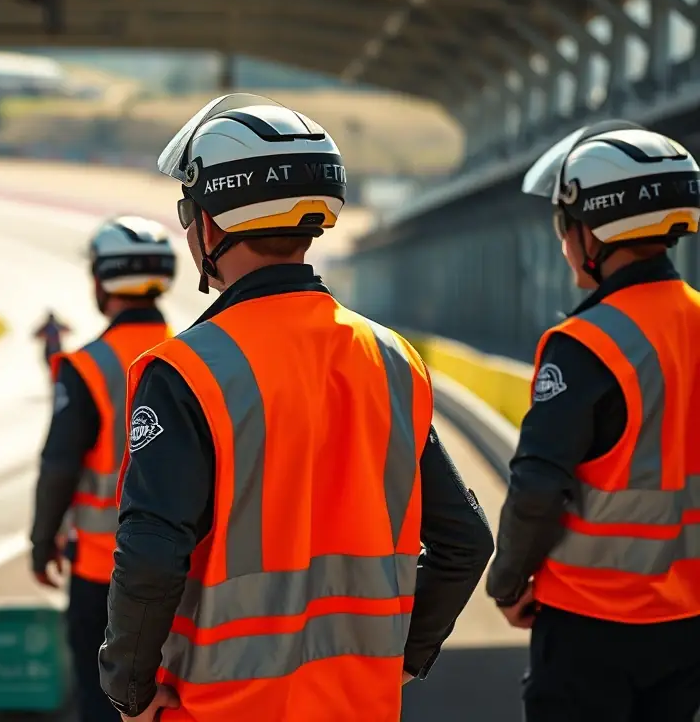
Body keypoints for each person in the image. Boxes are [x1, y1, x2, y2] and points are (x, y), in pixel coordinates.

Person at [98, 93, 495, 722]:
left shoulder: (187, 371)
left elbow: (151, 553)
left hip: (219, 707)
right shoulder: (392, 359)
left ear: (213, 224)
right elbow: (466, 540)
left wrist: (130, 688)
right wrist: (402, 660)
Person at [485, 121, 700, 722]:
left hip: (591, 619)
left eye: (565, 224)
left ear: (594, 233)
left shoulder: (588, 343)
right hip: (686, 622)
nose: (562, 240)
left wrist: (507, 582)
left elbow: (538, 486)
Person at [30, 215, 176, 722]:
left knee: (102, 700)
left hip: (102, 565)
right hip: (185, 566)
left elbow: (59, 465)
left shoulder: (87, 366)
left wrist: (41, 540)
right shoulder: (197, 355)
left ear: (103, 280)